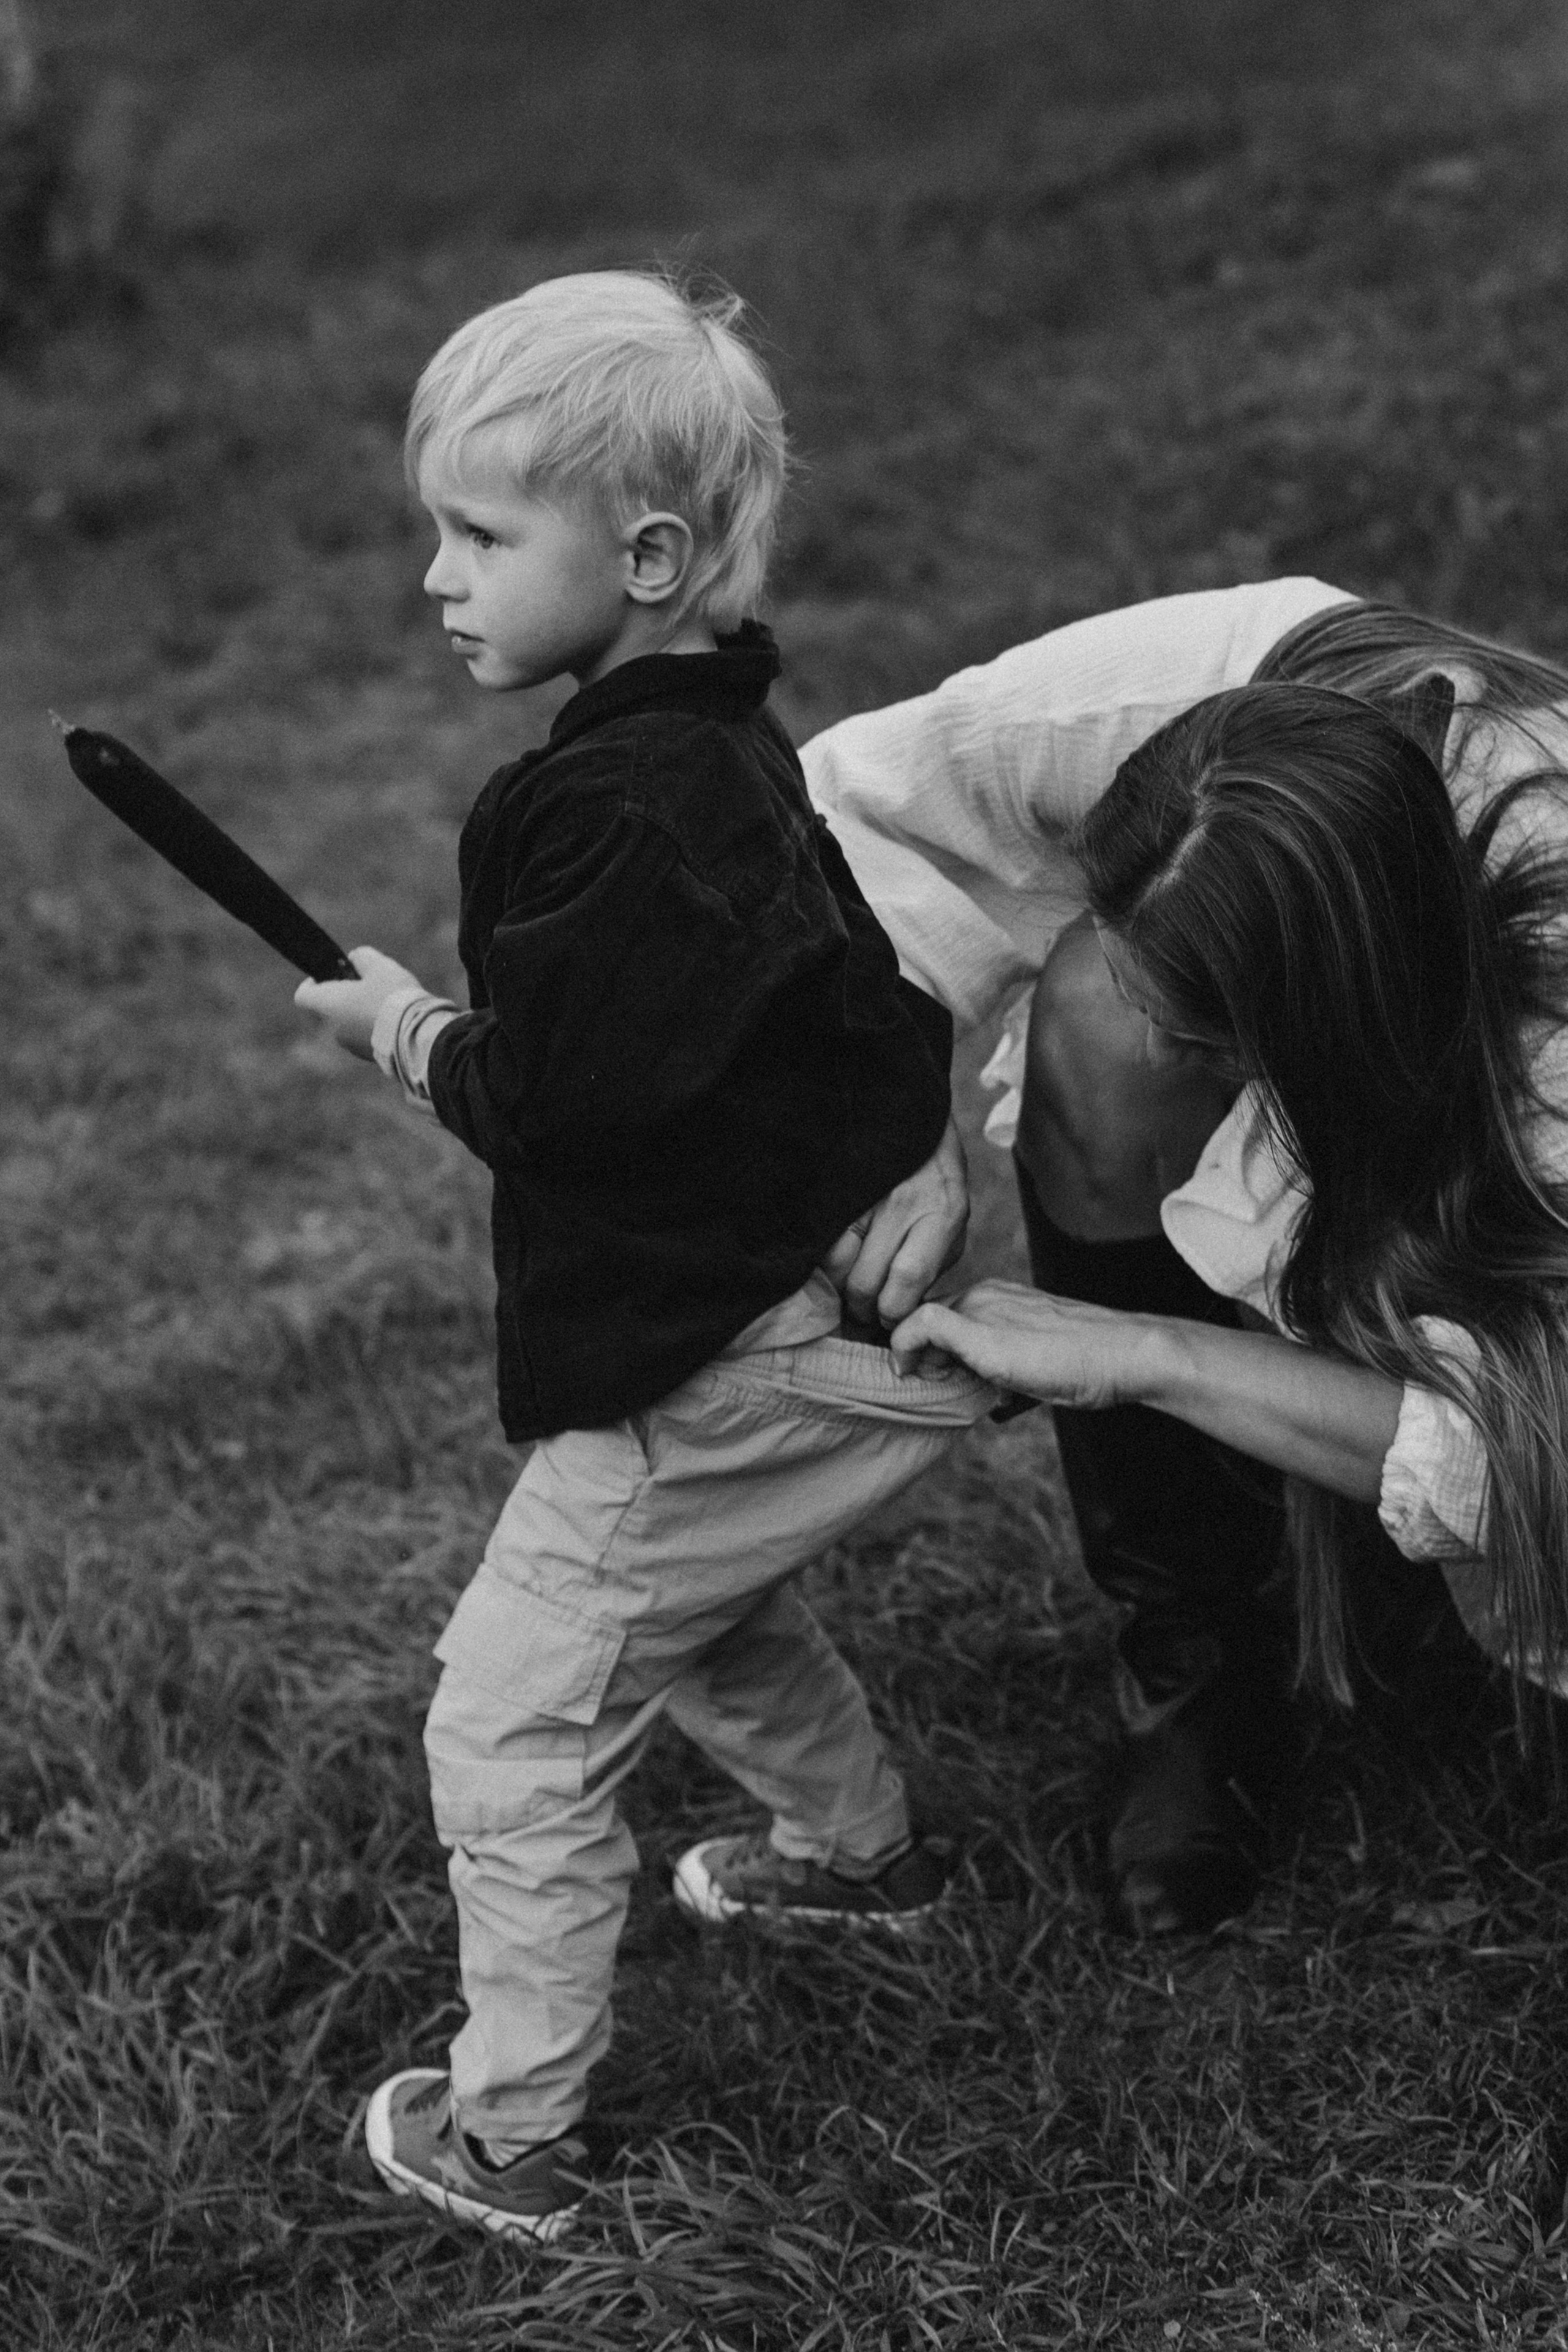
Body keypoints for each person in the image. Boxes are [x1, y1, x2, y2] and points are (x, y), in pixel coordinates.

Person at [293, 270, 997, 2243]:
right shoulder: (723, 748)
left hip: (692, 1359)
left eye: (479, 534)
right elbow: (863, 1008)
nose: (437, 578)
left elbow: (560, 1106)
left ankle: (513, 2136)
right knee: (704, 1614)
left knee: (513, 1723)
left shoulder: (617, 811)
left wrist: (408, 1036)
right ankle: (860, 1861)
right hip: (763, 1318)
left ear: (650, 557)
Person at [808, 590, 1568, 1934]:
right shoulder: (1187, 693)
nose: (1178, 1066)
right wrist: (900, 1103)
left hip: (1493, 1146)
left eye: (1213, 1043)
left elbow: (1534, 1450)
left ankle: (1366, 1557)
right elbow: (819, 813)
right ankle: (1199, 1664)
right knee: (1100, 1012)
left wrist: (1145, 1354)